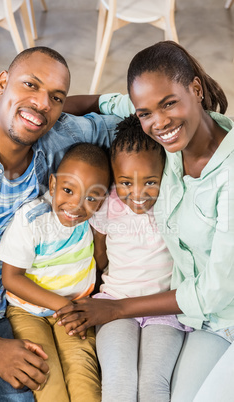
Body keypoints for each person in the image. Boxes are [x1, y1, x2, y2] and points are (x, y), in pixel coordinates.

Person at [55, 41, 234, 401]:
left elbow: (215, 291)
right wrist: (33, 111)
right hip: (182, 312)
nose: (159, 122)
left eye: (169, 103)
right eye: (145, 113)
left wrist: (119, 307)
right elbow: (101, 102)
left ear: (195, 90)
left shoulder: (226, 174)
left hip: (220, 315)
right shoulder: (159, 140)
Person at [0, 45, 121, 401]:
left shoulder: (57, 142)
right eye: (30, 85)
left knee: (31, 390)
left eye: (56, 97)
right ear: (2, 81)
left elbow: (132, 118)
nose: (41, 104)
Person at [0, 143, 110, 402]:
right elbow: (11, 278)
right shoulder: (32, 219)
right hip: (28, 311)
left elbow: (99, 259)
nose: (76, 205)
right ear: (54, 183)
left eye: (92, 198)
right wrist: (62, 305)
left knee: (84, 378)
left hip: (76, 309)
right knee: (46, 377)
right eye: (68, 190)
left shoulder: (93, 219)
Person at [89, 115, 191, 402]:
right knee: (119, 381)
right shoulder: (107, 205)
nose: (137, 193)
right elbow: (99, 253)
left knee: (154, 385)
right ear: (113, 176)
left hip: (165, 310)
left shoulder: (174, 205)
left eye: (150, 181)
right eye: (125, 182)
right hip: (113, 303)